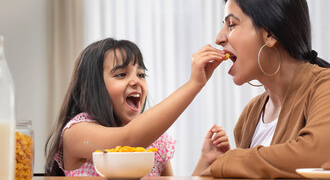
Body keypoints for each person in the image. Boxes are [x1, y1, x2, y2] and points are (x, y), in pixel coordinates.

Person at [193, 0, 330, 178]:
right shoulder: (250, 115)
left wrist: (229, 162)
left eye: (231, 25)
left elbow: (316, 156)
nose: (219, 38)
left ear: (270, 35)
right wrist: (212, 164)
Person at [45, 38, 229, 176]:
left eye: (141, 74)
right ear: (93, 86)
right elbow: (126, 141)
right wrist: (194, 84)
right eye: (121, 74)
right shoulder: (77, 132)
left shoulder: (157, 144)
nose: (136, 81)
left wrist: (205, 163)